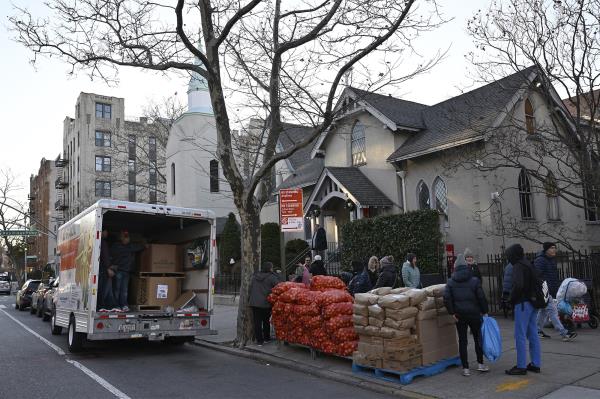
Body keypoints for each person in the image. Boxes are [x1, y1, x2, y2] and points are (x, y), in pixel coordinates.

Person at [444, 254, 490, 376]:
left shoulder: (450, 282)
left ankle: (466, 368)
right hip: (474, 314)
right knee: (477, 338)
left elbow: (447, 298)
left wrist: (452, 312)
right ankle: (480, 364)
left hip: (460, 315)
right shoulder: (474, 281)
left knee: (463, 340)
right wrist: (485, 311)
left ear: (455, 268)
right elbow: (481, 297)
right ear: (466, 267)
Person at [505, 243, 542, 375]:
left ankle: (521, 366)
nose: (508, 259)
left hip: (522, 303)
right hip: (533, 303)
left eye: (508, 256)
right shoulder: (528, 264)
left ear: (513, 255)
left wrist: (510, 300)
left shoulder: (518, 266)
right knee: (533, 334)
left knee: (519, 335)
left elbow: (518, 285)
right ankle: (536, 364)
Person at [535, 242, 577, 341]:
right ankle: (564, 333)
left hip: (550, 290)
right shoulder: (540, 260)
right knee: (553, 311)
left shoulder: (551, 260)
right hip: (544, 290)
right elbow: (537, 276)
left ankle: (537, 331)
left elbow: (553, 277)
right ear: (546, 250)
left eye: (555, 248)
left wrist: (554, 289)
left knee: (543, 312)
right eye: (552, 248)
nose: (554, 250)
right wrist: (544, 289)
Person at [110, 230, 145, 312]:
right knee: (117, 289)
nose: (126, 239)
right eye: (125, 237)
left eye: (127, 237)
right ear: (121, 238)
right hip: (118, 271)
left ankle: (124, 305)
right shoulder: (117, 246)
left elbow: (139, 247)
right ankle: (116, 305)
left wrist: (144, 245)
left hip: (126, 272)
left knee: (124, 290)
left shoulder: (130, 246)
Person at [249, 262, 281, 345]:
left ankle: (259, 341)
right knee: (266, 321)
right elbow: (279, 286)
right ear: (270, 268)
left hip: (254, 302)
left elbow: (250, 287)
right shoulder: (271, 277)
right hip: (265, 303)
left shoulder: (255, 276)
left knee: (257, 322)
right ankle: (267, 338)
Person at [98, 229, 116, 311]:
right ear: (102, 232)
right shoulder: (103, 243)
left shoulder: (99, 242)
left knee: (106, 288)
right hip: (103, 270)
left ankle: (108, 305)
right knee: (104, 288)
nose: (107, 233)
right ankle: (103, 305)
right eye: (106, 231)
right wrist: (109, 268)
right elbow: (105, 256)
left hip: (101, 269)